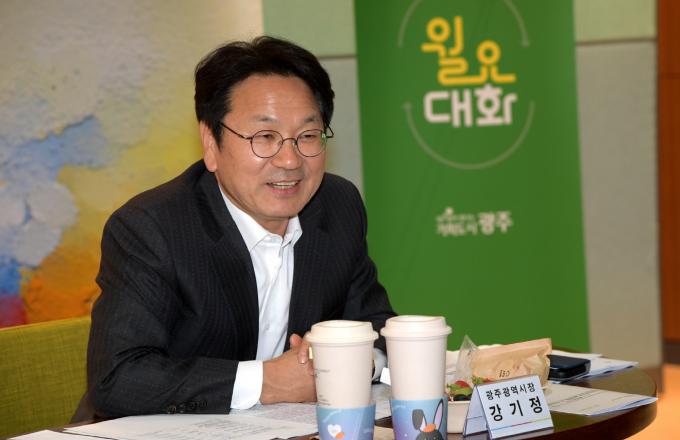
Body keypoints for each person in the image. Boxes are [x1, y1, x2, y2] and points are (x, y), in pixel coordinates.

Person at [73, 36, 395, 421]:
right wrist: (267, 382)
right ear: (211, 143)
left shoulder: (338, 206)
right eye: (265, 137)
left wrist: (351, 361)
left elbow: (377, 329)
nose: (290, 160)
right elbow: (118, 378)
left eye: (308, 136)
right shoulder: (152, 228)